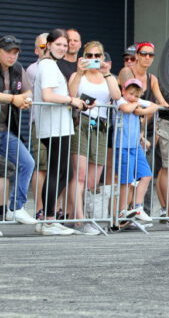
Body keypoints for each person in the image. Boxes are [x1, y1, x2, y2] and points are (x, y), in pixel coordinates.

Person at [33, 28, 85, 235]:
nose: (63, 48)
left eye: (65, 45)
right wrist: (72, 100)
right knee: (57, 171)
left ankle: (48, 217)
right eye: (59, 45)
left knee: (65, 172)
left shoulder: (51, 65)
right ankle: (48, 219)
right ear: (49, 45)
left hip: (61, 125)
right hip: (53, 126)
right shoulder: (46, 65)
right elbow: (48, 95)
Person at [67, 41, 120, 234]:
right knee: (79, 175)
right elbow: (71, 94)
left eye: (97, 56)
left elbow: (116, 95)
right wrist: (80, 72)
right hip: (81, 123)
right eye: (89, 56)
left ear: (103, 57)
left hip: (101, 126)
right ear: (83, 57)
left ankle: (88, 217)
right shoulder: (77, 75)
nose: (93, 59)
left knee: (92, 180)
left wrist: (106, 73)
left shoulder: (109, 76)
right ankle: (79, 219)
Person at [0, 35, 37, 226]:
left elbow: (29, 92)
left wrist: (22, 99)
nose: (12, 56)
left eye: (15, 52)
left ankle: (16, 208)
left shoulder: (17, 69)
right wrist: (12, 99)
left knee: (27, 163)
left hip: (5, 129)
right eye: (8, 51)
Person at [113, 78, 159, 224]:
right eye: (130, 93)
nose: (133, 97)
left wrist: (141, 110)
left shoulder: (136, 103)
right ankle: (122, 211)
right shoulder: (119, 100)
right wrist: (135, 105)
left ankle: (138, 207)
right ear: (123, 91)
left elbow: (154, 106)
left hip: (135, 146)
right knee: (126, 181)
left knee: (146, 175)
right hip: (123, 146)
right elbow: (126, 108)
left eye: (136, 95)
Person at [25, 32, 49, 220]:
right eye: (42, 47)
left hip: (58, 124)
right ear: (36, 50)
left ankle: (54, 208)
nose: (46, 49)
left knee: (56, 167)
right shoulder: (35, 68)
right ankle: (39, 208)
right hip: (39, 122)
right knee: (40, 166)